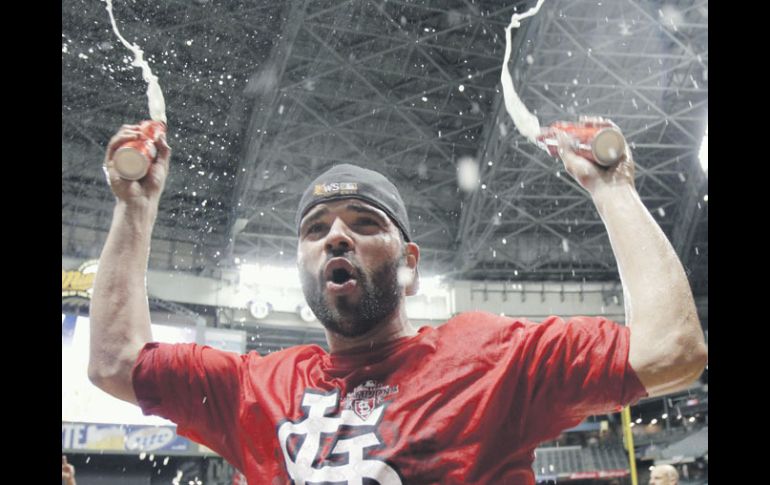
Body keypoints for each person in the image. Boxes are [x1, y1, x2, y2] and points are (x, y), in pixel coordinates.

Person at [88, 122, 707, 484]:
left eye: (363, 222)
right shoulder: (255, 388)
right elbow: (115, 361)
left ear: (410, 264)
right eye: (315, 230)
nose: (336, 234)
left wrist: (613, 187)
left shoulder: (491, 358)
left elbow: (672, 351)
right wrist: (135, 209)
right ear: (303, 264)